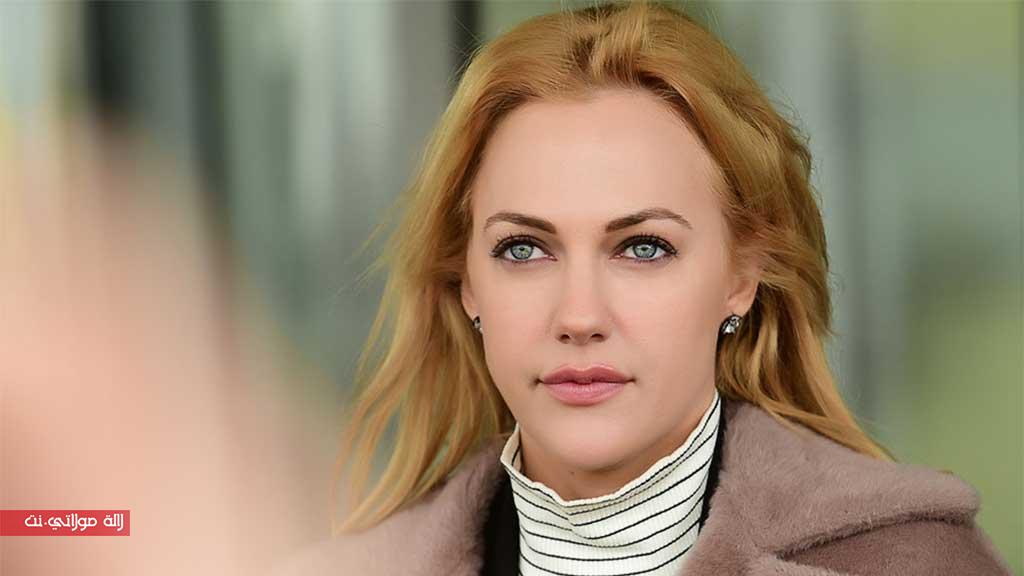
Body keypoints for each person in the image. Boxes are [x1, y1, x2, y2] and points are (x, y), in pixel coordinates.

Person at [276, 1, 1012, 574]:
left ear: (742, 277)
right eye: (523, 249)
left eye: (643, 247)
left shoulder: (913, 561)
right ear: (465, 283)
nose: (579, 316)